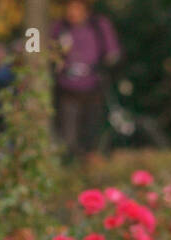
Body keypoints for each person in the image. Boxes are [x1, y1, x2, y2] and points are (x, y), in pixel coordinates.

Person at [52, 0, 121, 157]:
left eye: (76, 7)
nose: (72, 12)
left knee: (92, 136)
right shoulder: (59, 28)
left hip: (94, 88)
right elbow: (48, 49)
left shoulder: (99, 26)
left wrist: (102, 64)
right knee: (69, 138)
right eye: (69, 7)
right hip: (67, 90)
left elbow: (113, 52)